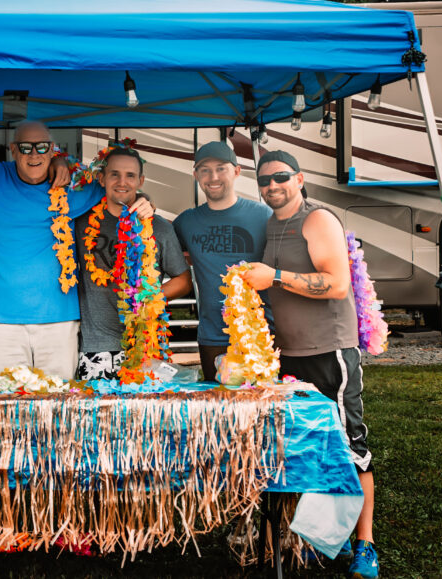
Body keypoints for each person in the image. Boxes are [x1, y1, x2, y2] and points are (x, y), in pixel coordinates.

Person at [241, 150, 378, 579]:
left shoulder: (317, 220)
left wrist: (275, 278)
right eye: (265, 180)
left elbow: (337, 285)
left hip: (328, 353)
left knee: (349, 446)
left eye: (281, 177)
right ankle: (324, 536)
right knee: (310, 447)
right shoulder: (272, 223)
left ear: (299, 179)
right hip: (290, 357)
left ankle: (365, 545)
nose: (272, 186)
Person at [0, 121, 152, 379]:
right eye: (25, 147)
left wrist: (146, 200)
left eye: (42, 147)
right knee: (5, 408)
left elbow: (121, 187)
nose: (34, 154)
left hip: (59, 323)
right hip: (0, 323)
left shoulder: (73, 188)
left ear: (53, 150)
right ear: (13, 150)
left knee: (58, 407)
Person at [74, 146, 191, 380]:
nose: (122, 182)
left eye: (130, 175)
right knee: (99, 416)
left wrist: (147, 299)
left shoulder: (158, 227)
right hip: (95, 346)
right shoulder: (80, 223)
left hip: (145, 346)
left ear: (141, 181)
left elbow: (183, 281)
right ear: (102, 178)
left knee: (146, 416)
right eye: (114, 174)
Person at [173, 141, 272, 381]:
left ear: (236, 171)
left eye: (221, 168)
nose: (213, 176)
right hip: (212, 336)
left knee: (261, 409)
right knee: (216, 411)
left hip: (259, 334)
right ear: (196, 175)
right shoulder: (186, 222)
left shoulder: (263, 215)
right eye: (205, 170)